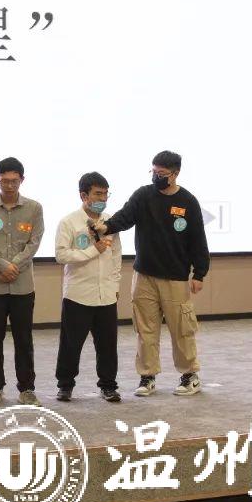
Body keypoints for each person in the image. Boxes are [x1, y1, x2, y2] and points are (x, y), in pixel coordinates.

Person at [94, 150, 210, 397]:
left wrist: (199, 273)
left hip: (175, 277)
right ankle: (147, 376)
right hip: (144, 275)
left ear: (175, 174)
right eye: (153, 171)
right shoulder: (143, 195)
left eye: (161, 173)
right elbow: (124, 217)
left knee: (182, 329)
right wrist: (106, 227)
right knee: (145, 329)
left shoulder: (188, 201)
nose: (156, 176)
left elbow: (198, 240)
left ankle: (190, 375)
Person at [0, 157, 45, 406]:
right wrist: (1, 265)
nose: (10, 185)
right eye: (5, 180)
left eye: (15, 180)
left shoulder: (34, 208)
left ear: (22, 180)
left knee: (24, 340)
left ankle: (27, 389)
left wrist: (14, 265)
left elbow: (34, 242)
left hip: (23, 286)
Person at [54, 172, 122, 403]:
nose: (103, 198)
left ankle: (108, 386)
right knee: (71, 345)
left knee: (107, 346)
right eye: (98, 194)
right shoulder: (69, 222)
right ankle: (65, 385)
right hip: (78, 294)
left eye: (105, 194)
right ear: (84, 195)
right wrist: (94, 250)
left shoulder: (111, 222)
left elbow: (116, 256)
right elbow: (61, 255)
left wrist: (115, 284)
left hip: (106, 294)